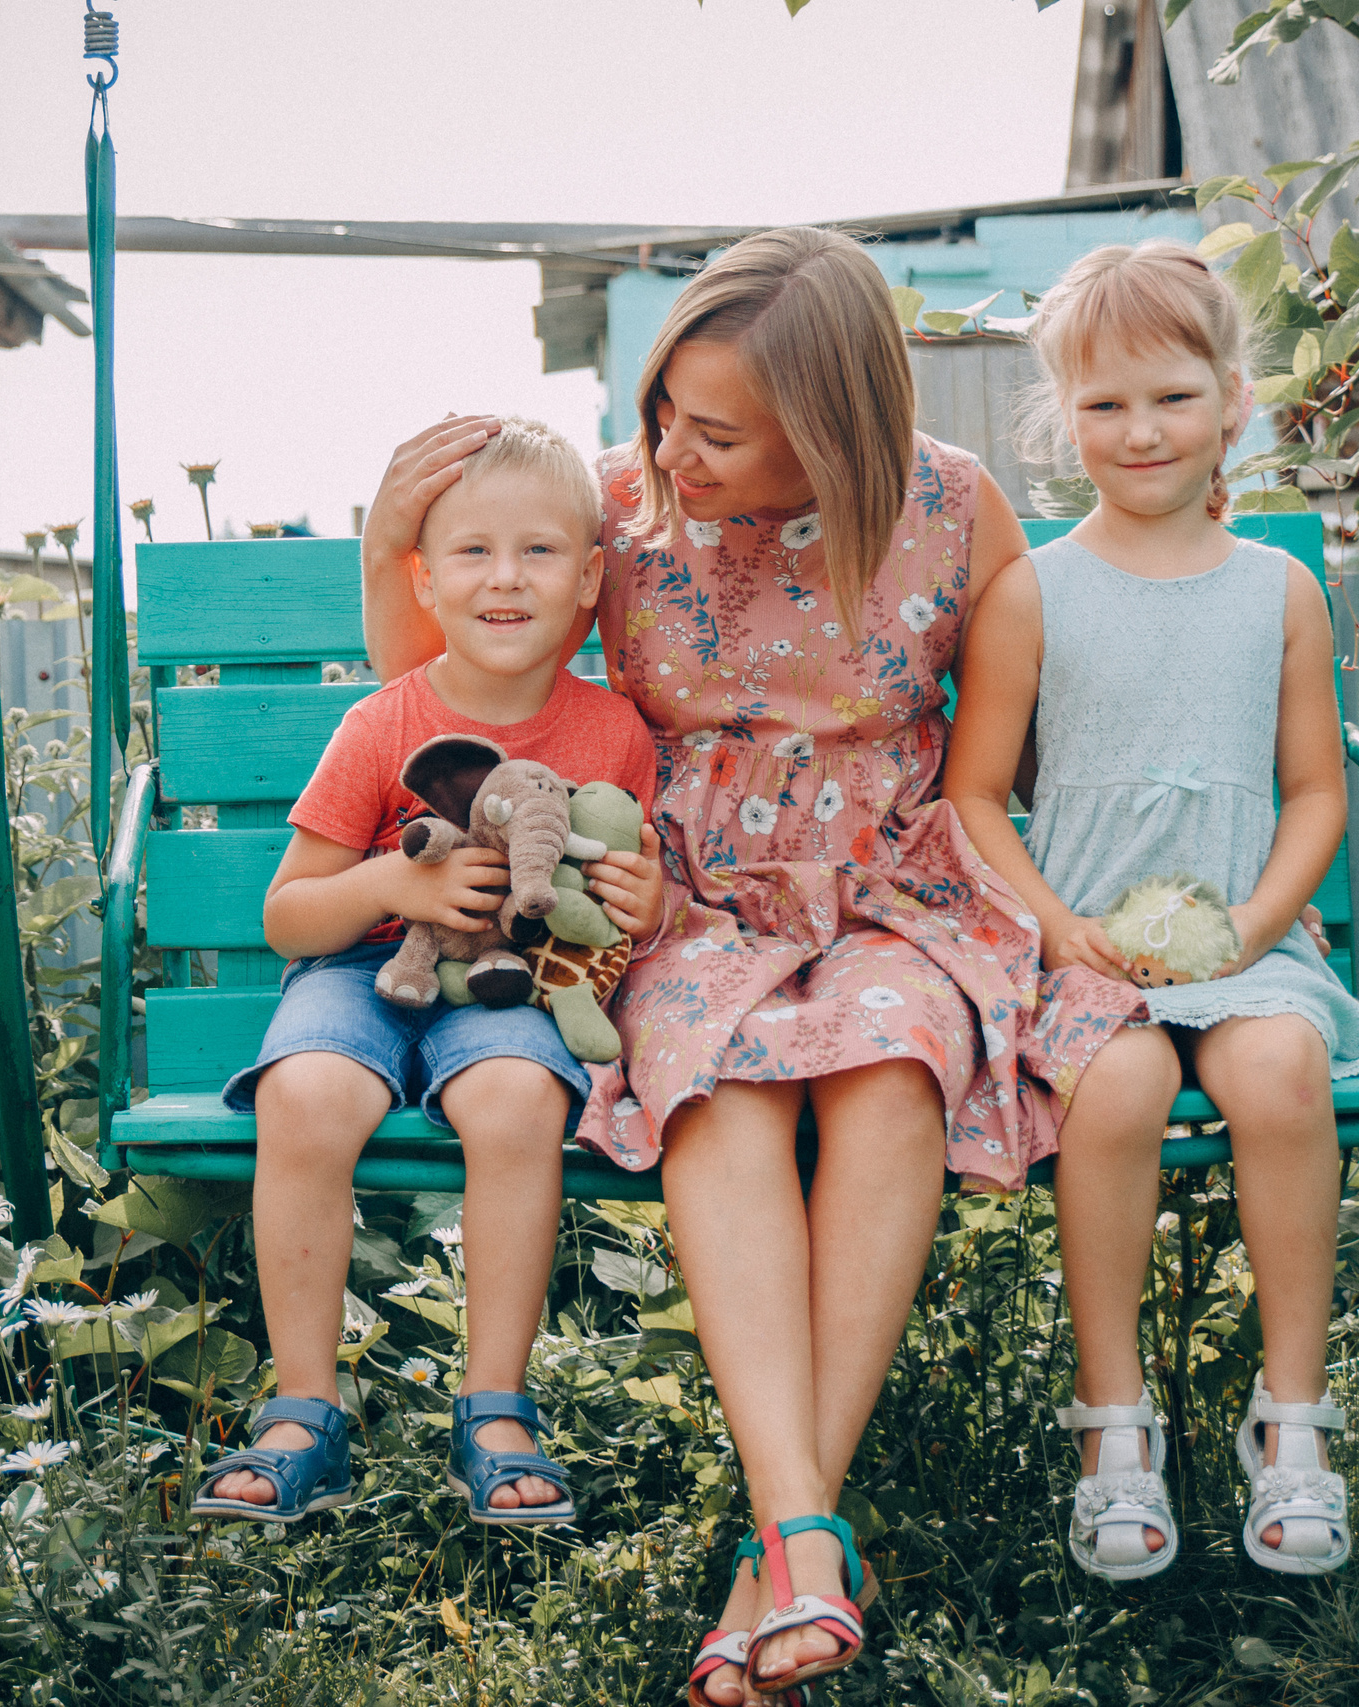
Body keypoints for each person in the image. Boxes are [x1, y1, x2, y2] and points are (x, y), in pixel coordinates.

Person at [362, 229, 1106, 1702]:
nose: (669, 455)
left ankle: (780, 1553)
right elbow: (438, 692)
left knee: (892, 1065)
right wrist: (389, 533)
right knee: (719, 1086)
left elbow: (1013, 749)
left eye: (714, 433)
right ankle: (806, 1536)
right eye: (662, 413)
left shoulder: (953, 508)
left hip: (895, 890)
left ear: (828, 433)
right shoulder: (618, 510)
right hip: (678, 896)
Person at [942, 239, 1359, 1582]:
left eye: (1173, 397)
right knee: (1118, 1089)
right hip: (1085, 953)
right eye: (1107, 403)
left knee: (1282, 1070)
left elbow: (1317, 791)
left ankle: (1291, 1415)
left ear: (1233, 401)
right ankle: (1113, 1419)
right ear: (1064, 418)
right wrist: (1054, 924)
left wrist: (1256, 922)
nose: (1141, 431)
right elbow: (973, 797)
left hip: (1251, 951)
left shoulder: (1277, 591)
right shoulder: (1034, 592)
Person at [193, 419, 666, 1531]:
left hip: (512, 988)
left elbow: (621, 908)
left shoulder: (614, 735)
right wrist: (392, 885)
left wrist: (655, 903)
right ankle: (303, 1411)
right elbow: (287, 915)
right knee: (307, 1094)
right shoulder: (385, 721)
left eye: (539, 551)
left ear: (588, 579)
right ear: (424, 579)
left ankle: (495, 1409)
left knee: (518, 1100)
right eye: (473, 552)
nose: (505, 578)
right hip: (362, 973)